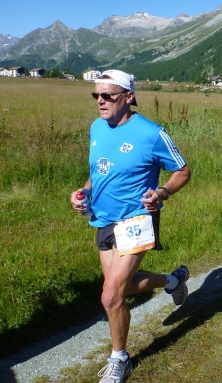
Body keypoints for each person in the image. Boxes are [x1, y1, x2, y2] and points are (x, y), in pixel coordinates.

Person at [70, 70, 191, 383]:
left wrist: (161, 193)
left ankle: (120, 359)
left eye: (107, 95)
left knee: (110, 296)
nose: (100, 101)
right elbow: (97, 172)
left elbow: (182, 171)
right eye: (96, 95)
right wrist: (84, 193)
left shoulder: (151, 133)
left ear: (128, 96)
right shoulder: (96, 127)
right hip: (103, 219)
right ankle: (173, 280)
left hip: (137, 218)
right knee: (121, 287)